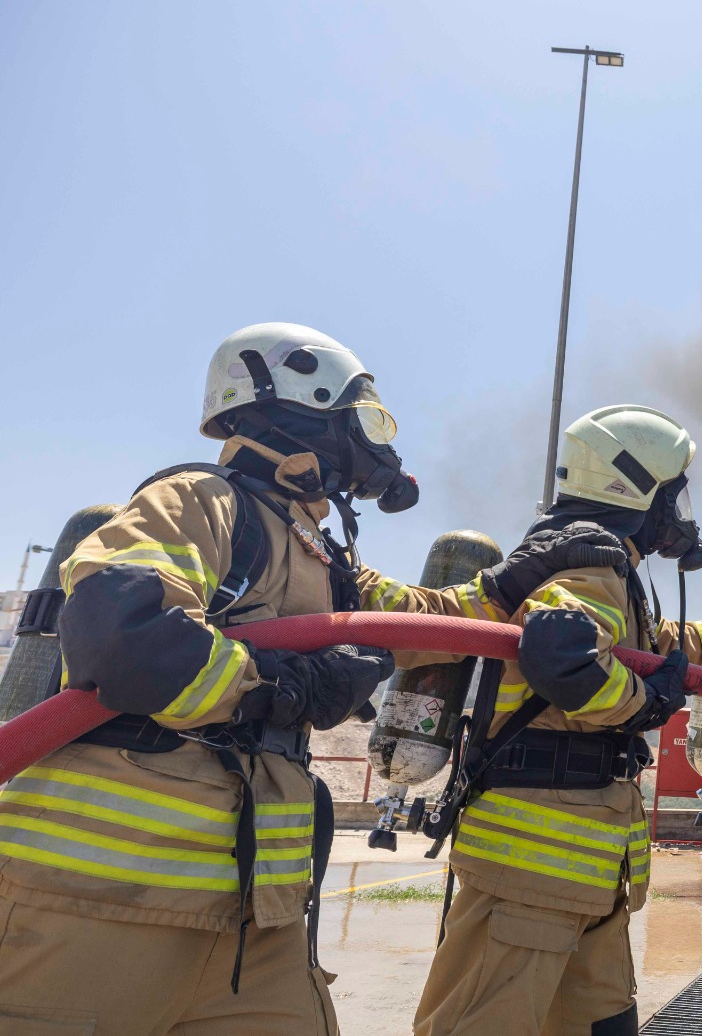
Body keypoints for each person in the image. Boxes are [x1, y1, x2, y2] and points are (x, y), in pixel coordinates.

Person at [0, 323, 618, 1035]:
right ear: (304, 395)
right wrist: (282, 690)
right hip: (98, 905)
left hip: (257, 922)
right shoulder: (200, 500)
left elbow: (425, 620)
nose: (375, 440)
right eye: (366, 416)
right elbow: (125, 636)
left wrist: (527, 572)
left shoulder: (323, 557)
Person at [413, 404, 702, 1036]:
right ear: (635, 486)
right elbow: (563, 658)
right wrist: (645, 703)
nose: (678, 510)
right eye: (672, 493)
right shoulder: (591, 564)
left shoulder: (611, 570)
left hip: (583, 875)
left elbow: (664, 648)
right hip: (531, 874)